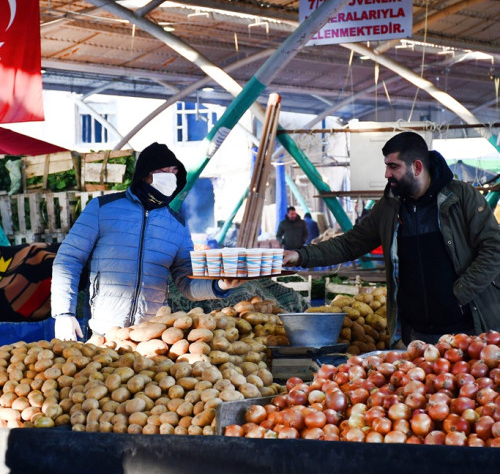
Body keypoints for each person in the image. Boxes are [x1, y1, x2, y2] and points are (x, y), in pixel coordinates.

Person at [284, 132, 500, 345]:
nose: (386, 174)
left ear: (417, 167)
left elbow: (494, 249)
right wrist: (301, 255)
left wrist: (459, 294)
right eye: (386, 165)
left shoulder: (461, 197)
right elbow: (350, 244)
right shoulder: (389, 207)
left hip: (468, 331)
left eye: (393, 166)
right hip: (417, 336)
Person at [51, 142, 241, 341]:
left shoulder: (177, 225)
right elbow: (68, 259)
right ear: (144, 174)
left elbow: (186, 282)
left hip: (153, 337)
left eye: (174, 171)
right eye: (162, 171)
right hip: (105, 334)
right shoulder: (103, 208)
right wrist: (64, 313)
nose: (170, 177)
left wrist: (220, 285)